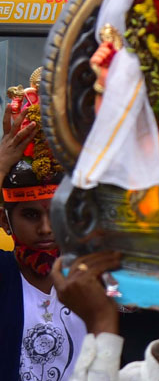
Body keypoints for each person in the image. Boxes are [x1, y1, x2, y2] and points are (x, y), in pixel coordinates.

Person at [1, 81, 87, 381]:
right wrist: (0, 168)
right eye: (29, 214)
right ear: (4, 220)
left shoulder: (99, 277)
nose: (46, 228)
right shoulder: (4, 275)